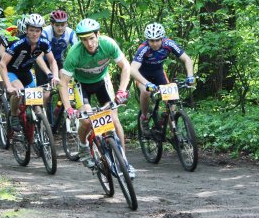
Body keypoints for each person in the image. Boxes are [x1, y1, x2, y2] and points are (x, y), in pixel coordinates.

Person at [58, 18, 141, 178]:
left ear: (98, 34)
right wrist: (69, 108)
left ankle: (123, 161)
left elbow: (125, 66)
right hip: (82, 85)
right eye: (84, 40)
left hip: (102, 81)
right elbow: (63, 83)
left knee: (114, 120)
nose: (89, 43)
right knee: (86, 121)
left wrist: (122, 91)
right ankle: (83, 146)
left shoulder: (108, 44)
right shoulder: (75, 53)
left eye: (91, 38)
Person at [130, 22, 195, 136]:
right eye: (151, 41)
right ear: (147, 40)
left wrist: (190, 76)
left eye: (157, 40)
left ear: (162, 38)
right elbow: (133, 69)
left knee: (171, 102)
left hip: (158, 72)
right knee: (145, 92)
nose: (154, 43)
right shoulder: (143, 48)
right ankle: (144, 118)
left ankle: (174, 134)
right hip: (143, 75)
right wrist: (147, 83)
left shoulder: (169, 44)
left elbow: (187, 59)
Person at [0, 14, 60, 131]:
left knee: (37, 102)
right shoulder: (18, 42)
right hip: (11, 72)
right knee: (19, 91)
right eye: (31, 30)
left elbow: (52, 61)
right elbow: (2, 64)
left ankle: (37, 125)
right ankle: (14, 115)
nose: (34, 34)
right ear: (26, 30)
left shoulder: (44, 42)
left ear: (41, 31)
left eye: (37, 31)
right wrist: (9, 86)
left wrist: (55, 76)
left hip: (26, 72)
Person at [35, 10, 78, 115]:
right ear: (51, 24)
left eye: (62, 25)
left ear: (66, 24)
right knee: (46, 93)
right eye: (57, 25)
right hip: (43, 61)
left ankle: (59, 105)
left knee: (64, 82)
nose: (60, 28)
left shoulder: (70, 33)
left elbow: (78, 52)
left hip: (58, 60)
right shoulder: (45, 33)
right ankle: (42, 116)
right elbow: (39, 57)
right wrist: (49, 73)